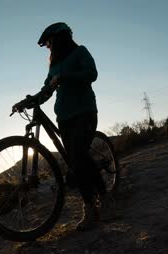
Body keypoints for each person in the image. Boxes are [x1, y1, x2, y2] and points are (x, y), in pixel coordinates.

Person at [36, 22, 110, 231]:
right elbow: (47, 89)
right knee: (77, 162)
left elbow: (91, 74)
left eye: (49, 42)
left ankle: (99, 200)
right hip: (64, 118)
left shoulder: (80, 52)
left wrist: (66, 76)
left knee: (78, 158)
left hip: (84, 113)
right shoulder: (54, 65)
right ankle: (93, 204)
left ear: (59, 38)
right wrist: (31, 100)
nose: (48, 47)